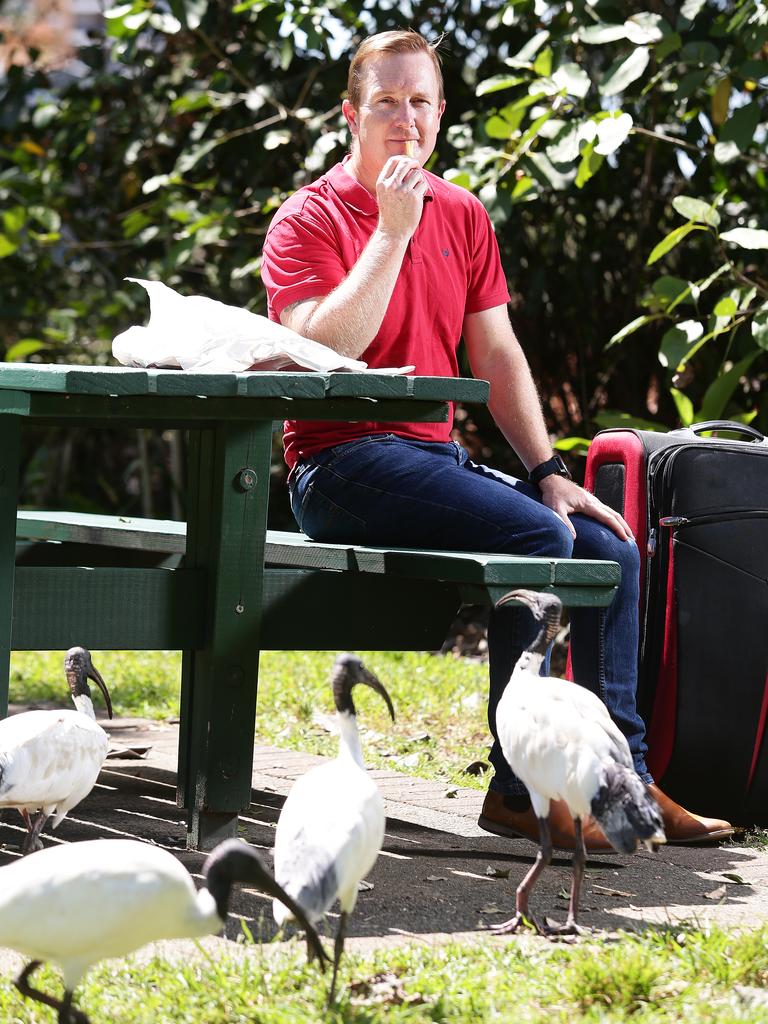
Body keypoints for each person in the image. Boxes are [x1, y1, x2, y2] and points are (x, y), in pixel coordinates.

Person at [261, 29, 733, 847]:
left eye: (419, 102)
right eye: (385, 103)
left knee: (605, 545)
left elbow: (497, 352)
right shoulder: (309, 217)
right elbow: (323, 348)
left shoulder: (465, 214)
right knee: (537, 536)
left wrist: (548, 468)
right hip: (338, 466)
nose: (403, 120)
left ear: (441, 113)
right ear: (350, 114)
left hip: (431, 459)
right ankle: (520, 790)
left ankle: (624, 787)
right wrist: (392, 229)